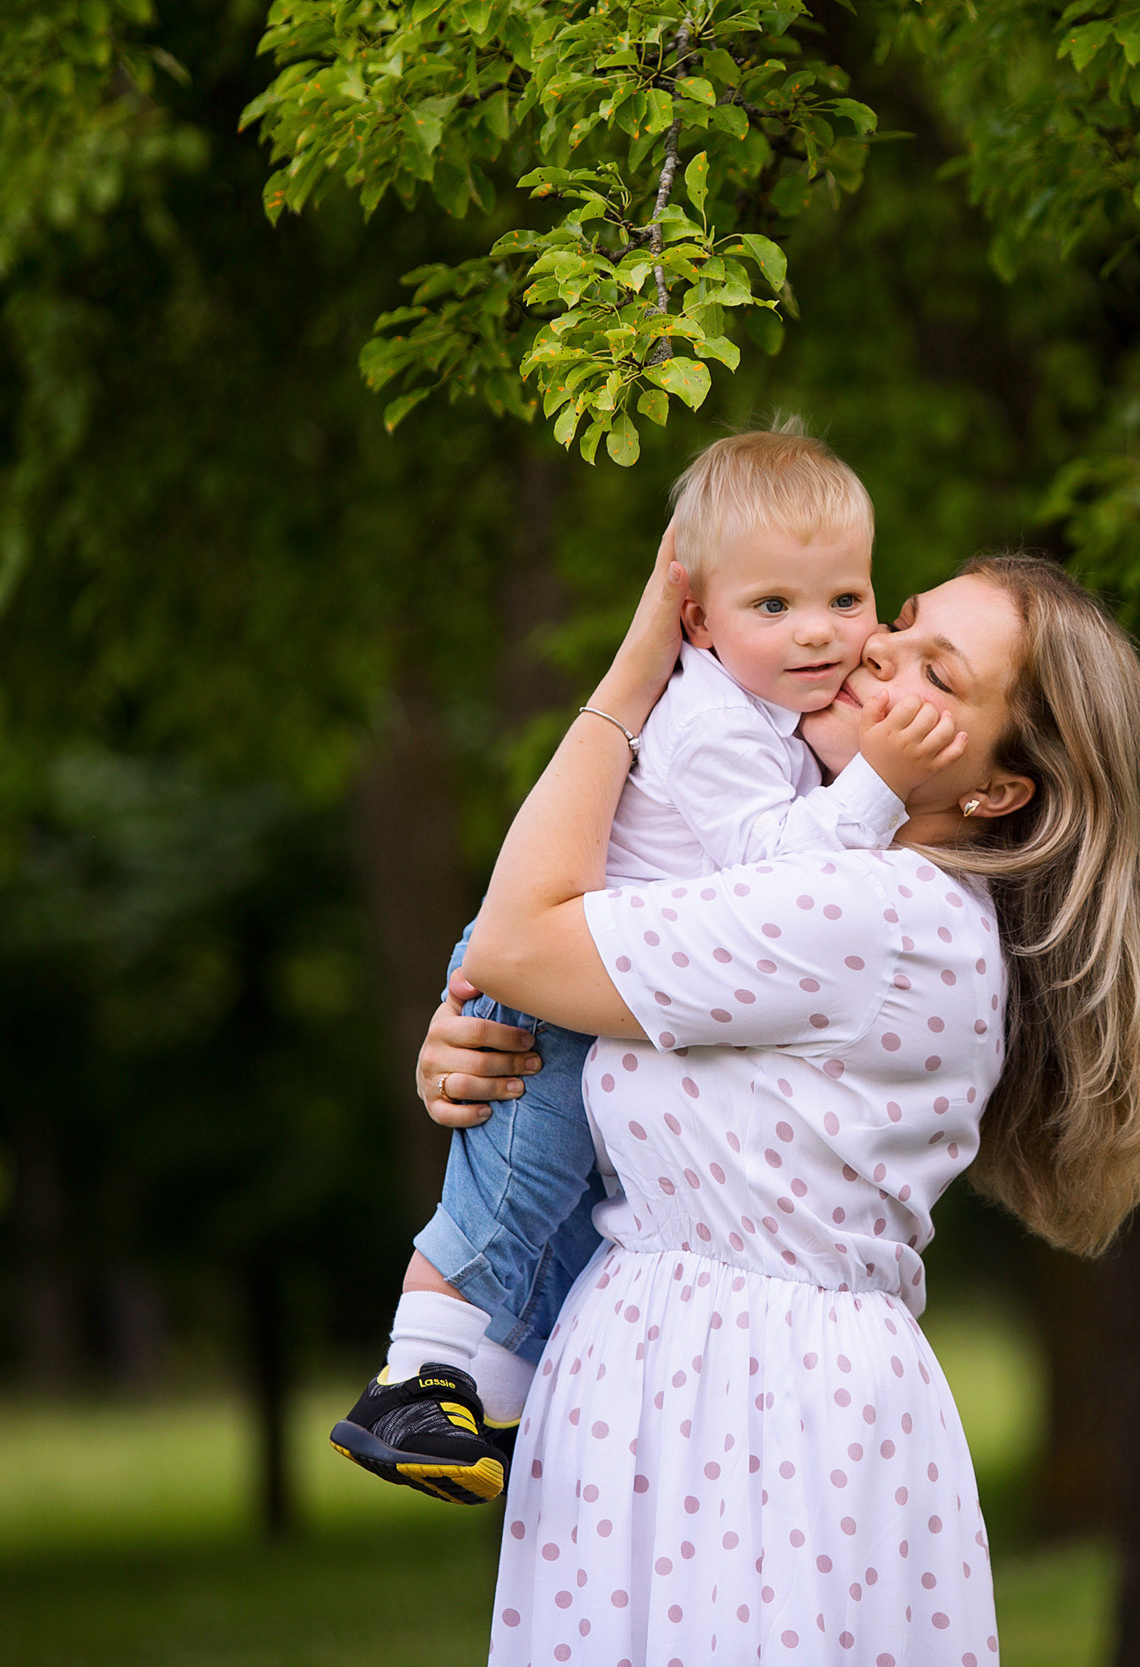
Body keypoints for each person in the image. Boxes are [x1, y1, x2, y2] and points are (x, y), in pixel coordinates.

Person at [412, 536, 1140, 1663]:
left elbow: (518, 935)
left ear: (992, 789)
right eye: (905, 621)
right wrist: (478, 1047)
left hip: (741, 1410)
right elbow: (639, 1079)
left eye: (940, 676)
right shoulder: (811, 871)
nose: (871, 655)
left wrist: (641, 664)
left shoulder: (874, 909)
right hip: (679, 1386)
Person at [333, 426, 971, 1505]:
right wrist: (883, 787)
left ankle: (481, 1393)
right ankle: (414, 1375)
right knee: (518, 1183)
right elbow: (765, 874)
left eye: (846, 599)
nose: (821, 635)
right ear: (697, 618)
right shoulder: (716, 721)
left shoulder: (781, 714)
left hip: (611, 970)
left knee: (561, 1192)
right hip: (561, 975)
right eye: (773, 606)